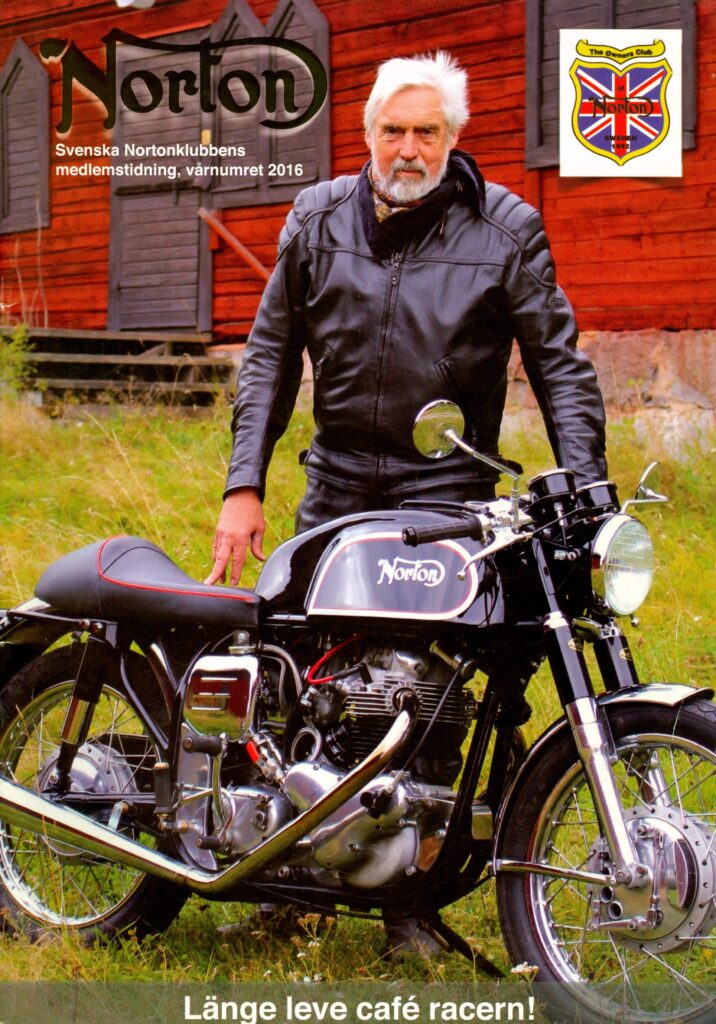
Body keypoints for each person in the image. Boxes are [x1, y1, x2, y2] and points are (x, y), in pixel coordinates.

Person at [206, 50, 607, 954]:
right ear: (368, 134)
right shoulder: (316, 219)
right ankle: (292, 883)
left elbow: (560, 364)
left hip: (445, 492)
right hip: (336, 483)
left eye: (428, 131)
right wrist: (243, 483)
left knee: (431, 698)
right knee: (304, 684)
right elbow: (269, 355)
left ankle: (408, 903)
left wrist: (587, 491)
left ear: (454, 137)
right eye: (394, 130)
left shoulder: (506, 228)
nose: (410, 148)